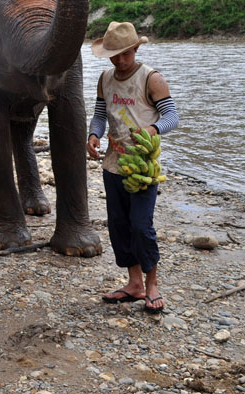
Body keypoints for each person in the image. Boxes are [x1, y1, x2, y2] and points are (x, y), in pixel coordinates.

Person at [86, 21, 179, 315]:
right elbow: (100, 115)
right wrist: (93, 135)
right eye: (114, 55)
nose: (120, 60)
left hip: (142, 166)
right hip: (114, 164)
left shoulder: (151, 78)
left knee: (141, 226)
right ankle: (134, 283)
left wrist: (152, 129)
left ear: (136, 49)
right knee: (119, 226)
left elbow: (172, 116)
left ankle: (152, 285)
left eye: (125, 54)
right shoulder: (105, 78)